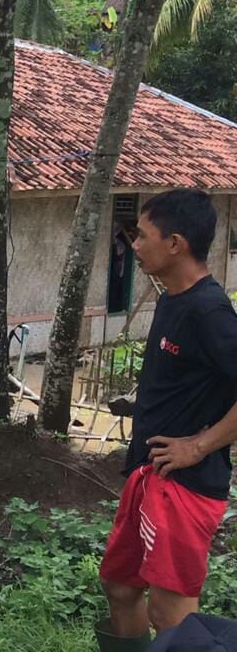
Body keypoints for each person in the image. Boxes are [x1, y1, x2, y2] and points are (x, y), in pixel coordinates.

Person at [98, 189, 237, 651]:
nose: (133, 244)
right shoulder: (172, 299)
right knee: (120, 587)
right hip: (148, 474)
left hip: (186, 484)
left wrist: (196, 446)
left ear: (175, 243)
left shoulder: (210, 312)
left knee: (172, 615)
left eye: (142, 235)